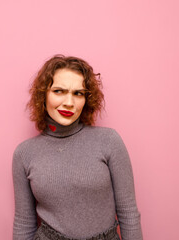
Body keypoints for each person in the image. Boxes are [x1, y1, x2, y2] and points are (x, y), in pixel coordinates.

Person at [12, 55, 143, 240]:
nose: (69, 103)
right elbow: (24, 222)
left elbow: (128, 213)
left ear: (86, 99)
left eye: (78, 93)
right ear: (44, 94)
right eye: (58, 91)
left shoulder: (109, 141)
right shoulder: (24, 153)